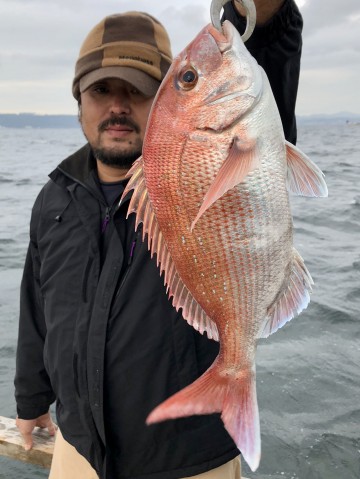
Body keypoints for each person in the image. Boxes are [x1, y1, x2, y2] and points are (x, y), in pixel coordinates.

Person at [14, 1, 303, 478]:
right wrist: (30, 401)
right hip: (79, 449)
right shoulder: (54, 198)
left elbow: (261, 57)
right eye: (101, 89)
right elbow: (37, 311)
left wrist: (261, 13)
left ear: (164, 102)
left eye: (139, 89)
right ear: (78, 101)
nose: (118, 105)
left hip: (187, 460)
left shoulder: (202, 165)